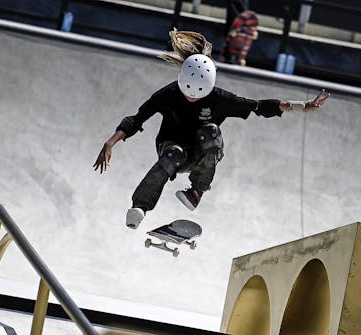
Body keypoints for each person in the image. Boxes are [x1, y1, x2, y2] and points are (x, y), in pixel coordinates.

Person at [94, 30, 329, 229]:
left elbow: (259, 106)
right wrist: (111, 142)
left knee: (212, 133)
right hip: (170, 149)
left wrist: (302, 106)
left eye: (197, 96)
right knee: (173, 153)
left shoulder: (219, 99)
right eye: (187, 94)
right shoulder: (168, 95)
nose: (191, 99)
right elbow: (136, 119)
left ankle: (196, 192)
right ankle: (140, 207)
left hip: (200, 155)